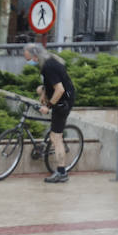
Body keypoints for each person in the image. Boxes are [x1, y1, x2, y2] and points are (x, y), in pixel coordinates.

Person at [25, 43, 75, 183]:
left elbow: (60, 90)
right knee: (38, 89)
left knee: (55, 137)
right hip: (60, 97)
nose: (28, 61)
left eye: (29, 58)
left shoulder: (49, 66)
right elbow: (50, 84)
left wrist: (48, 106)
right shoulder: (46, 63)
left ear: (36, 56)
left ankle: (61, 172)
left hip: (63, 102)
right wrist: (44, 93)